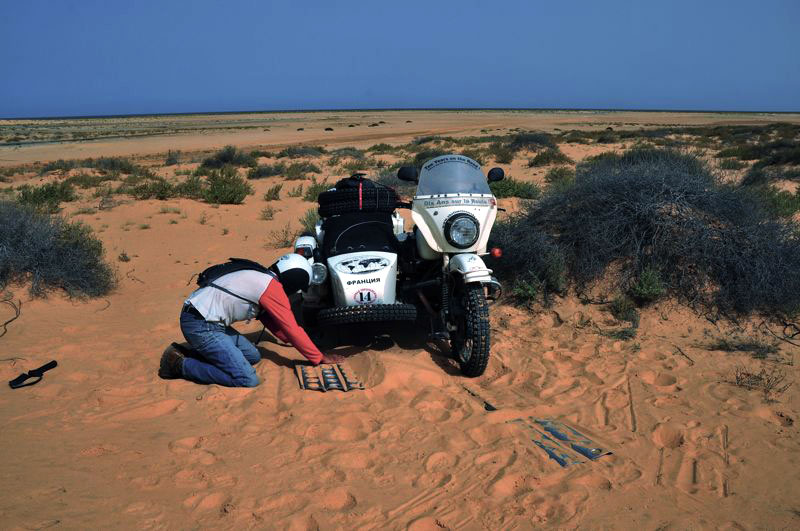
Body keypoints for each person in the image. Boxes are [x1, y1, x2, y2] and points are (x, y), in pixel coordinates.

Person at [159, 254, 340, 387]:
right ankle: (179, 364)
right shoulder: (271, 288)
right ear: (295, 279)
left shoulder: (261, 277)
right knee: (246, 379)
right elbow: (291, 327)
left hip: (203, 319)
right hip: (203, 326)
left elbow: (272, 322)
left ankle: (201, 352)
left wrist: (290, 340)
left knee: (253, 355)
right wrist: (319, 357)